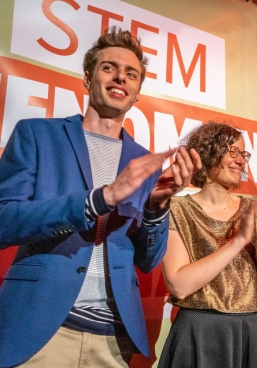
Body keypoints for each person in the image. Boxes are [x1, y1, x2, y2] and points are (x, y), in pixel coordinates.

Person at [0, 27, 202, 368]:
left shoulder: (145, 162)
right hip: (41, 331)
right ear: (88, 77)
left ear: (137, 93)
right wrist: (100, 198)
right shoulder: (37, 135)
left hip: (112, 337)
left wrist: (156, 208)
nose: (120, 76)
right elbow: (5, 221)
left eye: (131, 73)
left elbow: (148, 261)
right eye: (109, 67)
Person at [159, 122, 257, 368]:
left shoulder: (252, 209)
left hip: (251, 327)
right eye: (232, 152)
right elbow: (180, 286)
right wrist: (238, 242)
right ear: (207, 153)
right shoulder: (177, 209)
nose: (241, 161)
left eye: (243, 154)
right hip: (201, 329)